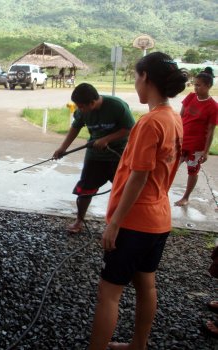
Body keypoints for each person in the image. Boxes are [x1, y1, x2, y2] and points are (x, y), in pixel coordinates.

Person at [88, 52, 187, 350]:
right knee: (147, 285)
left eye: (135, 77)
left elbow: (139, 176)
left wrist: (115, 223)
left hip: (134, 223)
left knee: (109, 293)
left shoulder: (150, 123)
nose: (135, 83)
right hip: (159, 221)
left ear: (145, 77)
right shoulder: (174, 118)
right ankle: (138, 346)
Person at [52, 83, 135, 233]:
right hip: (95, 156)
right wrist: (63, 148)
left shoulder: (116, 106)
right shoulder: (82, 111)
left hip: (119, 155)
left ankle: (121, 225)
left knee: (122, 191)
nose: (80, 110)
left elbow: (129, 129)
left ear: (92, 102)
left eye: (82, 106)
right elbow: (75, 127)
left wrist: (106, 139)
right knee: (85, 190)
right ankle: (79, 221)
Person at [174, 67, 217, 207]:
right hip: (181, 141)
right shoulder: (190, 97)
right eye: (195, 84)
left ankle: (186, 197)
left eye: (199, 85)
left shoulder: (213, 107)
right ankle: (161, 191)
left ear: (208, 86)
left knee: (192, 171)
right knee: (171, 167)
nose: (196, 87)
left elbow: (211, 131)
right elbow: (180, 117)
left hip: (196, 146)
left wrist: (205, 151)